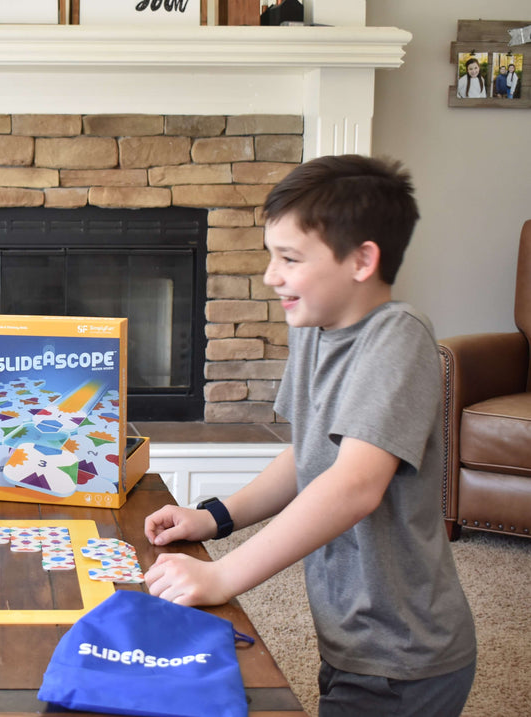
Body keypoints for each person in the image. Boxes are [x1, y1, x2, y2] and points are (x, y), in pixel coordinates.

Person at [143, 155, 477, 717]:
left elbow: (353, 486)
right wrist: (215, 517)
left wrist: (222, 575)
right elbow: (310, 455)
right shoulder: (313, 330)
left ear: (362, 260)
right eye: (271, 255)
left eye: (290, 258)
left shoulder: (399, 337)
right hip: (349, 637)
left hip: (404, 654)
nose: (271, 276)